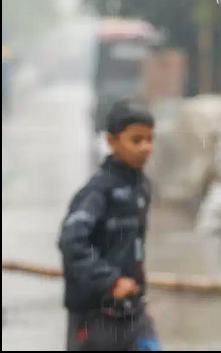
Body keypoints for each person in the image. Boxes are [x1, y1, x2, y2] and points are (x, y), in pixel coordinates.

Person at [59, 99, 160, 351]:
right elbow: (71, 242)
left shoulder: (141, 187)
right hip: (95, 318)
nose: (146, 147)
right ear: (112, 141)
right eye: (136, 140)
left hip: (133, 313)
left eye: (150, 139)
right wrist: (110, 281)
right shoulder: (96, 192)